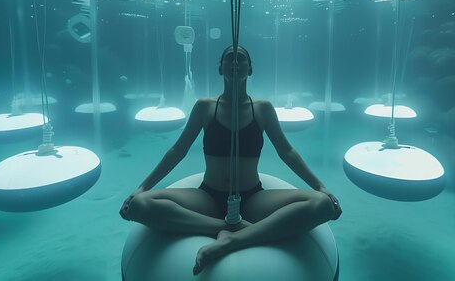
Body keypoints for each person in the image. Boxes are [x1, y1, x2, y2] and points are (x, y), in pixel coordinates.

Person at [119, 45, 342, 275]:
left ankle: (233, 240)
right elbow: (178, 150)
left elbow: (287, 152)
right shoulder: (204, 107)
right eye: (229, 58)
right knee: (139, 205)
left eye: (241, 58)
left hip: (253, 198)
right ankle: (226, 227)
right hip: (207, 197)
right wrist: (142, 188)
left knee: (322, 205)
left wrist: (321, 187)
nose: (235, 62)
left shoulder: (263, 109)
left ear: (250, 68)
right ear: (220, 68)